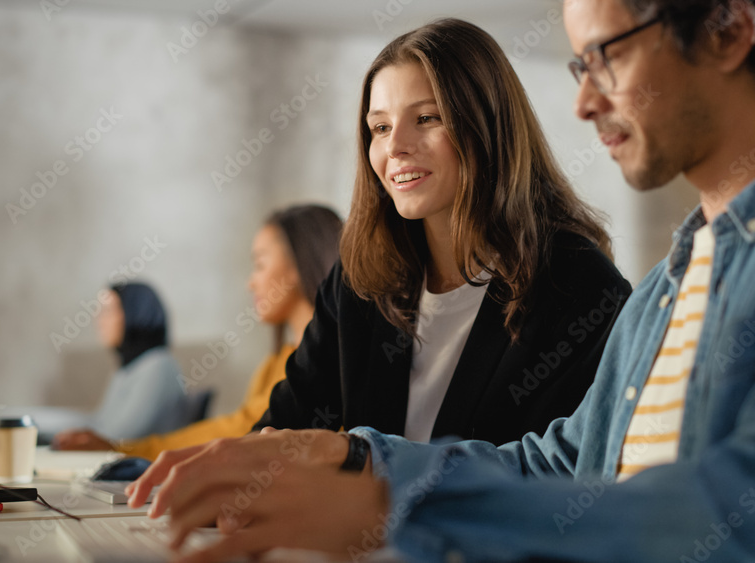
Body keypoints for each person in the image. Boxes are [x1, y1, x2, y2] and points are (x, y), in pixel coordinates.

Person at [125, 4, 755, 563]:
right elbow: (556, 463)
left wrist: (395, 514)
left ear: (727, 29)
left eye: (605, 56)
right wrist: (359, 454)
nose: (583, 102)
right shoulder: (664, 290)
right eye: (578, 65)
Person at [247, 11, 631, 450]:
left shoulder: (578, 285)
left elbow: (560, 475)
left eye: (427, 118)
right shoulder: (360, 279)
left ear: (488, 126)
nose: (395, 147)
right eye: (380, 127)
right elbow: (280, 429)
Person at [52, 205, 344, 455]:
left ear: (298, 263)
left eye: (260, 264)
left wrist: (125, 451)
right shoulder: (275, 362)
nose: (250, 282)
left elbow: (241, 429)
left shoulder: (323, 365)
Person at [42, 282, 191, 445]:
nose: (98, 320)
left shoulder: (159, 365)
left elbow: (118, 437)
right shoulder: (128, 367)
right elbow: (100, 423)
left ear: (134, 313)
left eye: (107, 312)